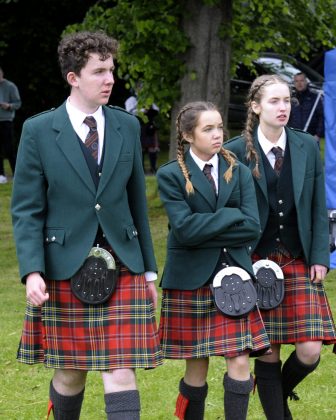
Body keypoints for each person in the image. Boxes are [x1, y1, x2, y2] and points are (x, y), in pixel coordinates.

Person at [11, 30, 162, 420]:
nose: (110, 79)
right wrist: (32, 270)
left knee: (121, 369)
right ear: (73, 78)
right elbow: (27, 209)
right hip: (65, 264)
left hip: (122, 260)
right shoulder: (39, 130)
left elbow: (135, 207)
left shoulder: (127, 126)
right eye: (99, 71)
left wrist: (148, 270)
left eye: (111, 70)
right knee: (70, 372)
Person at [225, 74, 336, 420]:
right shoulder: (235, 151)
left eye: (287, 100)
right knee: (267, 350)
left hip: (297, 256)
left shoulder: (305, 145)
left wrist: (320, 255)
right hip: (254, 259)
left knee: (309, 350)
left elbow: (319, 207)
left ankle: (278, 394)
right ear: (256, 107)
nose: (283, 107)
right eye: (274, 101)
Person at [156, 101, 271, 420]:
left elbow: (252, 228)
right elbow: (185, 231)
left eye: (220, 127)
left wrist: (207, 226)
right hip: (190, 279)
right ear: (188, 135)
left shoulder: (240, 171)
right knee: (197, 365)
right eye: (208, 129)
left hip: (234, 277)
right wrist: (230, 215)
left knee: (239, 360)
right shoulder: (170, 175)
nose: (218, 134)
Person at [125, 86, 160, 174]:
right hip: (138, 125)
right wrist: (142, 110)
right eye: (139, 88)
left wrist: (150, 109)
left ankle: (153, 168)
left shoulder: (148, 99)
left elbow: (157, 109)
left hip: (149, 126)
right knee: (140, 148)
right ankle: (141, 170)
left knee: (152, 148)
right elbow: (128, 111)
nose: (141, 89)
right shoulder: (132, 99)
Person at [288, 72, 324, 146]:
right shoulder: (291, 99)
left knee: (312, 157)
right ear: (294, 83)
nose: (299, 83)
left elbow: (322, 117)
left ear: (306, 81)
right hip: (294, 137)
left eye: (302, 80)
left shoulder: (315, 98)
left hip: (311, 137)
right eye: (296, 81)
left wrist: (318, 135)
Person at [0, 65, 21, 183]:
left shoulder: (10, 86)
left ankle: (16, 173)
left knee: (9, 149)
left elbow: (18, 103)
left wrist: (8, 106)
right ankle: (1, 175)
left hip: (6, 120)